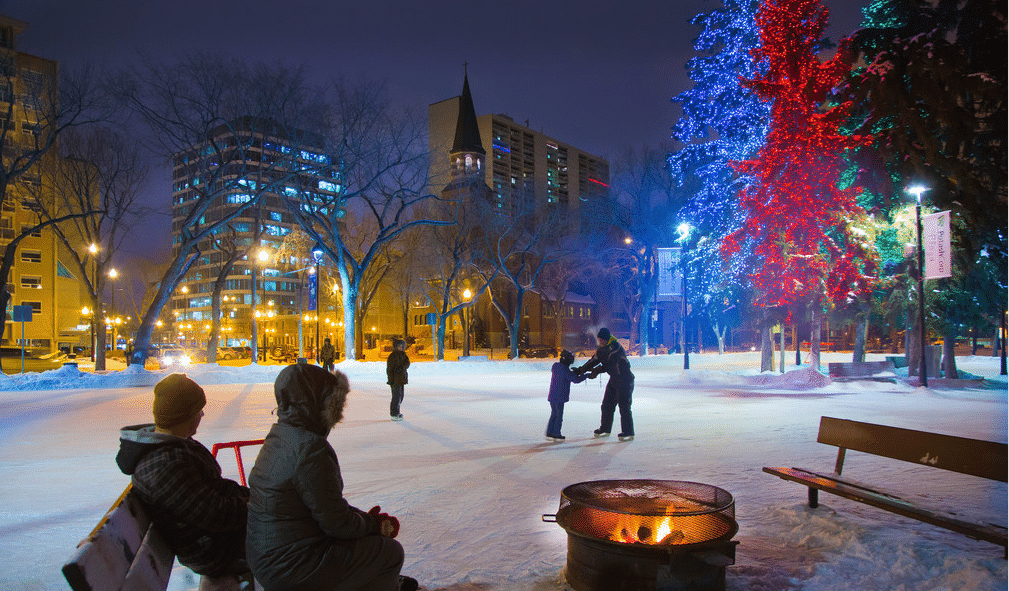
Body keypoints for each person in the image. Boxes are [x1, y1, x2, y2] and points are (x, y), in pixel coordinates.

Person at [246, 364, 419, 591]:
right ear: (318, 403)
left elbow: (325, 507)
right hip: (290, 567)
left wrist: (362, 520)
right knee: (389, 552)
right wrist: (373, 525)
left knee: (360, 543)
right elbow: (337, 524)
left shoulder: (281, 435)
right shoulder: (310, 449)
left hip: (268, 557)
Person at [116, 373, 250, 580]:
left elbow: (216, 490)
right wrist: (257, 508)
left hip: (219, 540)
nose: (202, 415)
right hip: (214, 552)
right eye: (198, 410)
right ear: (185, 416)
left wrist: (254, 497)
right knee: (300, 538)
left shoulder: (174, 447)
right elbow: (215, 514)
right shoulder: (164, 465)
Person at [575, 327, 635, 441]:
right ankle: (605, 429)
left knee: (624, 407)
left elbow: (611, 365)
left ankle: (628, 432)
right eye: (599, 340)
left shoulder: (615, 348)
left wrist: (597, 371)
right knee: (607, 405)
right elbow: (594, 360)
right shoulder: (602, 349)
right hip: (615, 379)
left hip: (625, 379)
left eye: (602, 340)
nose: (600, 342)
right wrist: (581, 370)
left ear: (607, 339)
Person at [545, 349, 586, 441]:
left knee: (554, 414)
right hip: (560, 397)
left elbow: (567, 374)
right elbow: (575, 379)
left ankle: (550, 431)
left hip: (552, 396)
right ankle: (556, 433)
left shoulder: (556, 367)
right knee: (559, 416)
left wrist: (576, 372)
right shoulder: (564, 370)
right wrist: (585, 376)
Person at [386, 339, 410, 421]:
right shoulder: (392, 356)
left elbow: (407, 363)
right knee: (396, 397)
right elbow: (389, 369)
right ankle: (394, 413)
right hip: (395, 380)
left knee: (401, 396)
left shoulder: (404, 355)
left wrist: (402, 367)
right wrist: (390, 379)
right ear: (396, 347)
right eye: (399, 346)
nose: (401, 348)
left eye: (402, 346)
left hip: (401, 379)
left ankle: (397, 412)